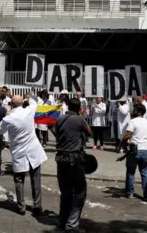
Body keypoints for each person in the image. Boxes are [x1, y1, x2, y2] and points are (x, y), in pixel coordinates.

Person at [0, 95, 47, 216]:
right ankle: (37, 206)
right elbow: (34, 101)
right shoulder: (29, 110)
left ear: (11, 104)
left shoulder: (9, 118)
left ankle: (21, 206)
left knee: (19, 180)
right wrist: (25, 100)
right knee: (36, 179)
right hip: (33, 150)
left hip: (19, 152)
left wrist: (6, 115)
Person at [54, 98, 92, 231]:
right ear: (79, 108)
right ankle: (72, 225)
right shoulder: (79, 119)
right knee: (80, 192)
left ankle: (62, 221)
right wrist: (81, 116)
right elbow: (89, 132)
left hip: (60, 158)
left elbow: (57, 133)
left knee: (65, 192)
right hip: (75, 159)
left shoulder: (59, 119)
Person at [121, 103, 147, 200]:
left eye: (134, 109)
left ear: (139, 111)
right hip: (145, 149)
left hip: (135, 150)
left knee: (131, 171)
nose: (132, 111)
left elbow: (127, 135)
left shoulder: (133, 121)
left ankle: (130, 192)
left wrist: (122, 145)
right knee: (145, 172)